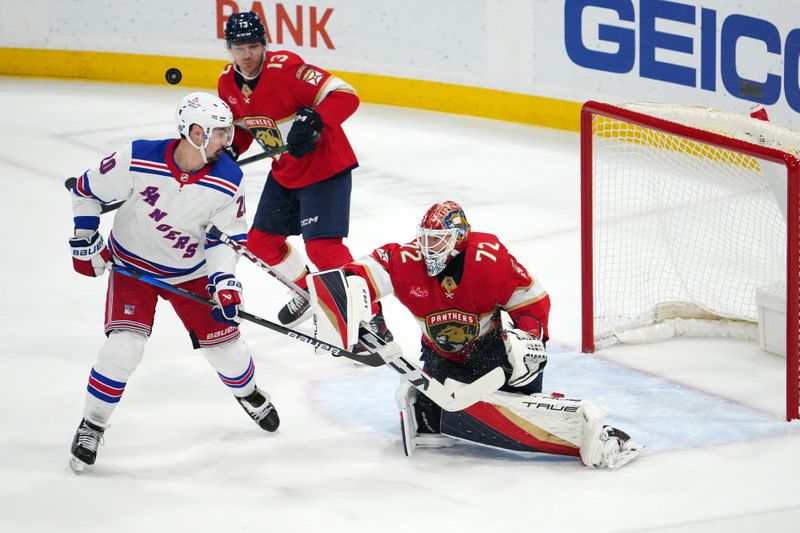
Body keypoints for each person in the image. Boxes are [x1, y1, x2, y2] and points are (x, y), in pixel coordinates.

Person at [314, 200, 643, 468]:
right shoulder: (404, 259)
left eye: (437, 239)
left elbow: (533, 301)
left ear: (459, 238)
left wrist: (530, 338)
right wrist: (343, 304)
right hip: (441, 355)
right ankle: (442, 410)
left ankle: (528, 405)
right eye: (425, 237)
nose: (428, 247)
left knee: (517, 360)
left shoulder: (489, 260)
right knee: (430, 410)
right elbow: (359, 275)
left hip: (493, 355)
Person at [66, 92, 280, 474]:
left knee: (228, 353)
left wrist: (224, 280)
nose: (226, 141)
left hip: (191, 274)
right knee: (124, 349)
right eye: (218, 133)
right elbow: (85, 192)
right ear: (194, 131)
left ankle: (248, 393)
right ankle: (93, 424)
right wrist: (85, 239)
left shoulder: (230, 179)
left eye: (227, 132)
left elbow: (223, 239)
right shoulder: (138, 157)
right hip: (133, 267)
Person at [217, 11, 390, 346]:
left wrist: (314, 121)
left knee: (324, 249)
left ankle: (372, 320)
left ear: (264, 45)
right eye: (240, 48)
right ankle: (308, 290)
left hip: (325, 169)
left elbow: (346, 94)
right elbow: (243, 128)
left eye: (253, 46)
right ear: (230, 49)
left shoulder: (287, 70)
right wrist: (232, 150)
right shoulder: (227, 82)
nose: (247, 54)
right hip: (285, 171)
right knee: (262, 243)